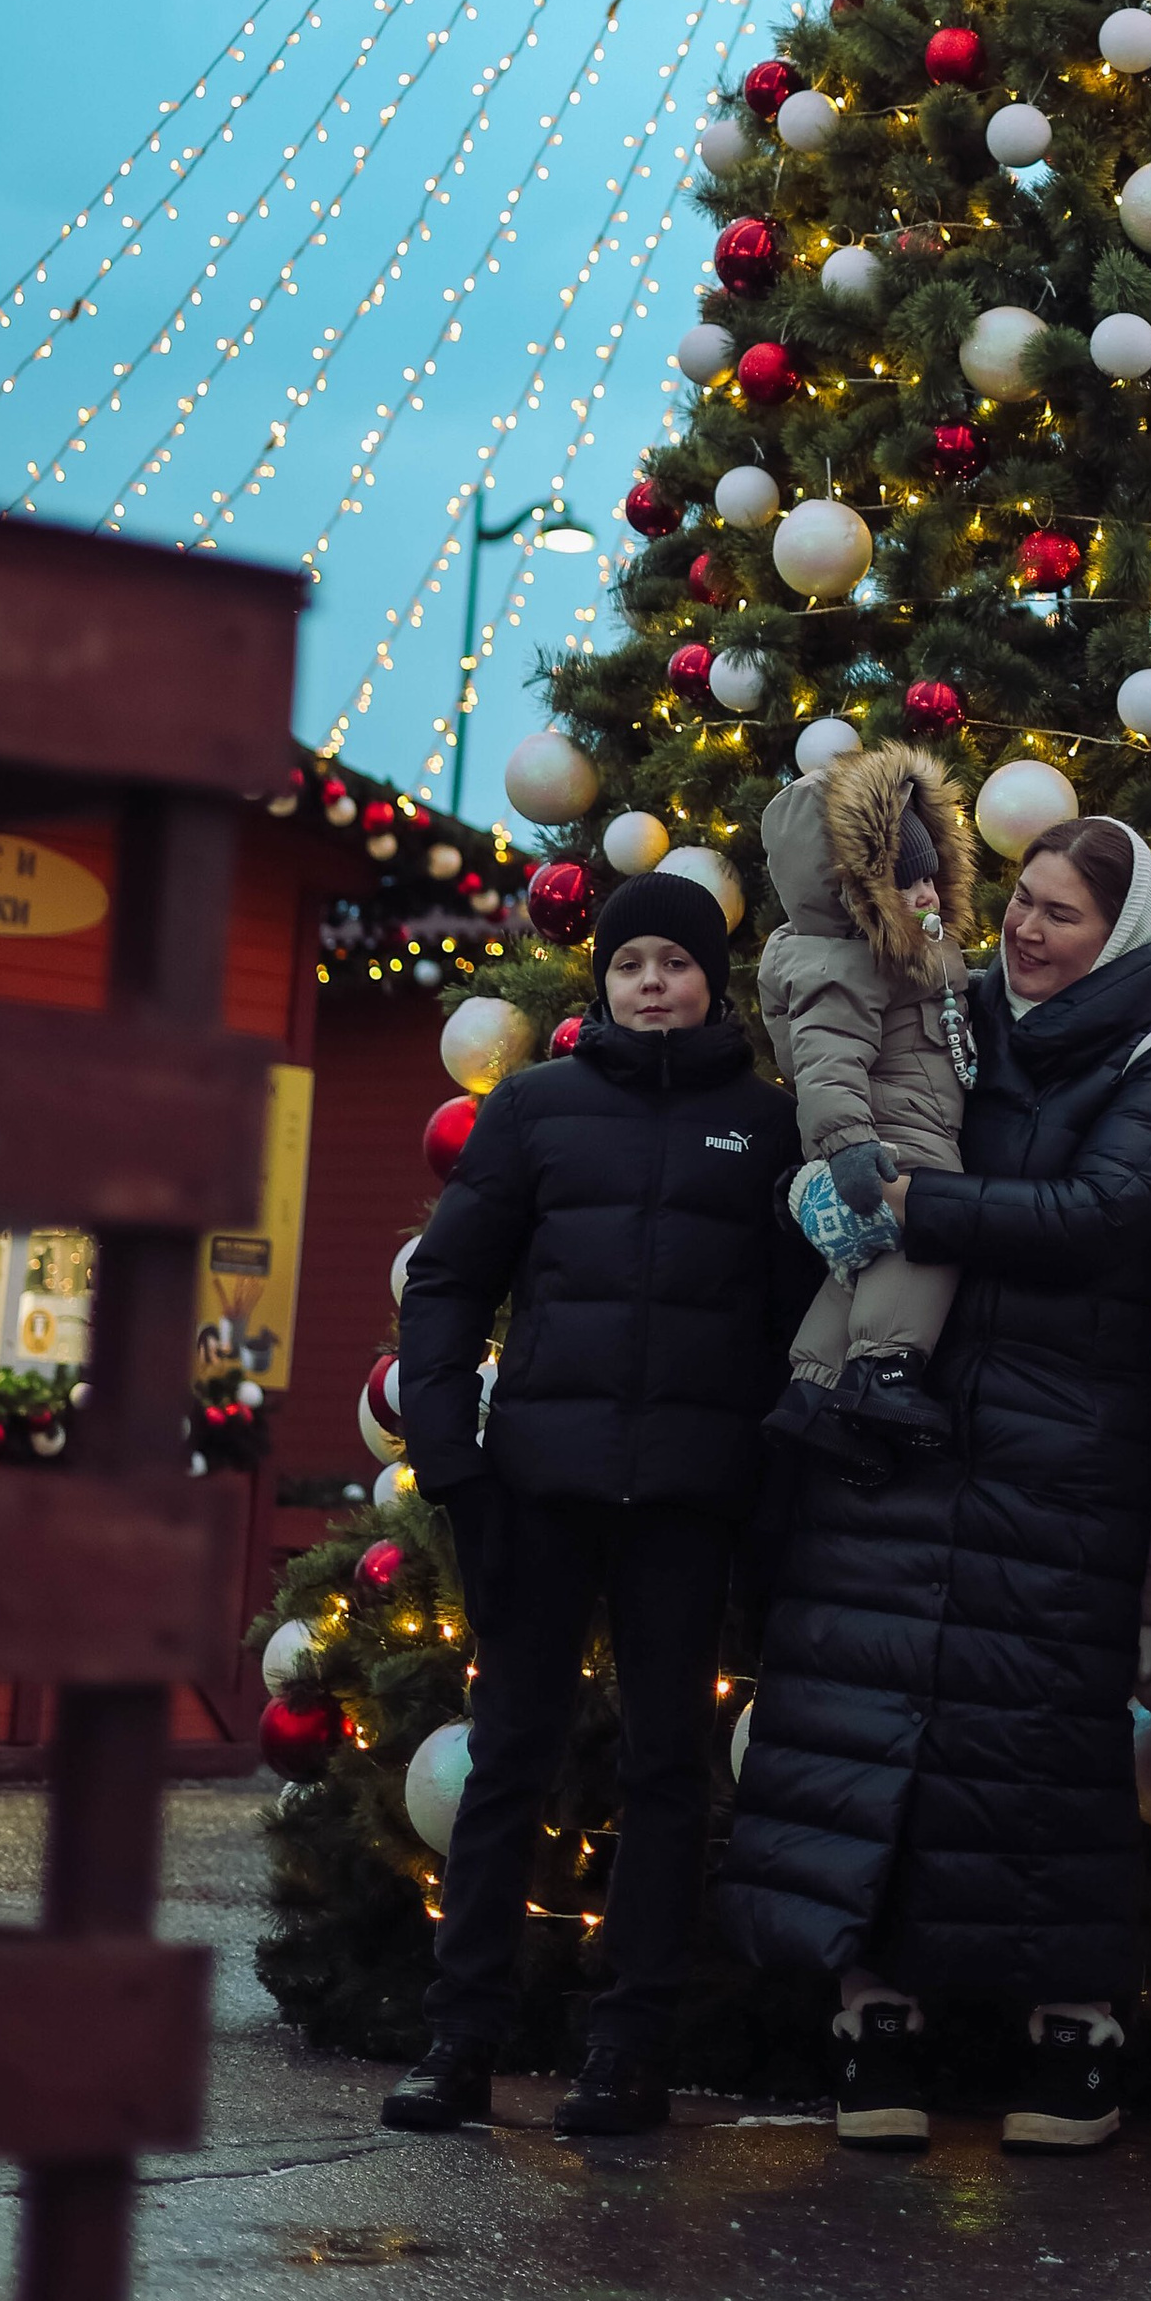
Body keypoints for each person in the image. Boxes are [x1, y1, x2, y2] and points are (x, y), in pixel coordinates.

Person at [717, 813, 1151, 2152]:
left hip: (1061, 1450)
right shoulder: (944, 1016)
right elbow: (845, 1124)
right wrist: (827, 1190)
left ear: (1125, 936)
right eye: (1026, 902)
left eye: (1065, 914)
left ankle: (1076, 2023)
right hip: (897, 1413)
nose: (1030, 930)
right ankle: (870, 2006)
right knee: (868, 1707)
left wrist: (914, 1206)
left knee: (1038, 1740)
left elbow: (1101, 1216)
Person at [384, 872, 801, 2139]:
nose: (654, 983)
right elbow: (449, 1288)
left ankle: (628, 2051)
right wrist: (453, 1460)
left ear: (711, 981)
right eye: (632, 966)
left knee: (669, 1768)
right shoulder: (534, 1112)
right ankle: (461, 2043)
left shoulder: (767, 1127)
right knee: (509, 1758)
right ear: (602, 983)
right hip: (537, 1497)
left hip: (687, 1505)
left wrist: (767, 1488)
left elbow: (794, 1324)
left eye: (676, 962)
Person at [754, 741, 977, 1453]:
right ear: (851, 894)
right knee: (925, 1247)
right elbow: (825, 1063)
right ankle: (885, 1372)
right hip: (891, 1153)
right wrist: (850, 1146)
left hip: (892, 1143)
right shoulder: (841, 965)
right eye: (904, 884)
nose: (926, 896)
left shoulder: (890, 951)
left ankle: (810, 1388)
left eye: (930, 877)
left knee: (854, 1273)